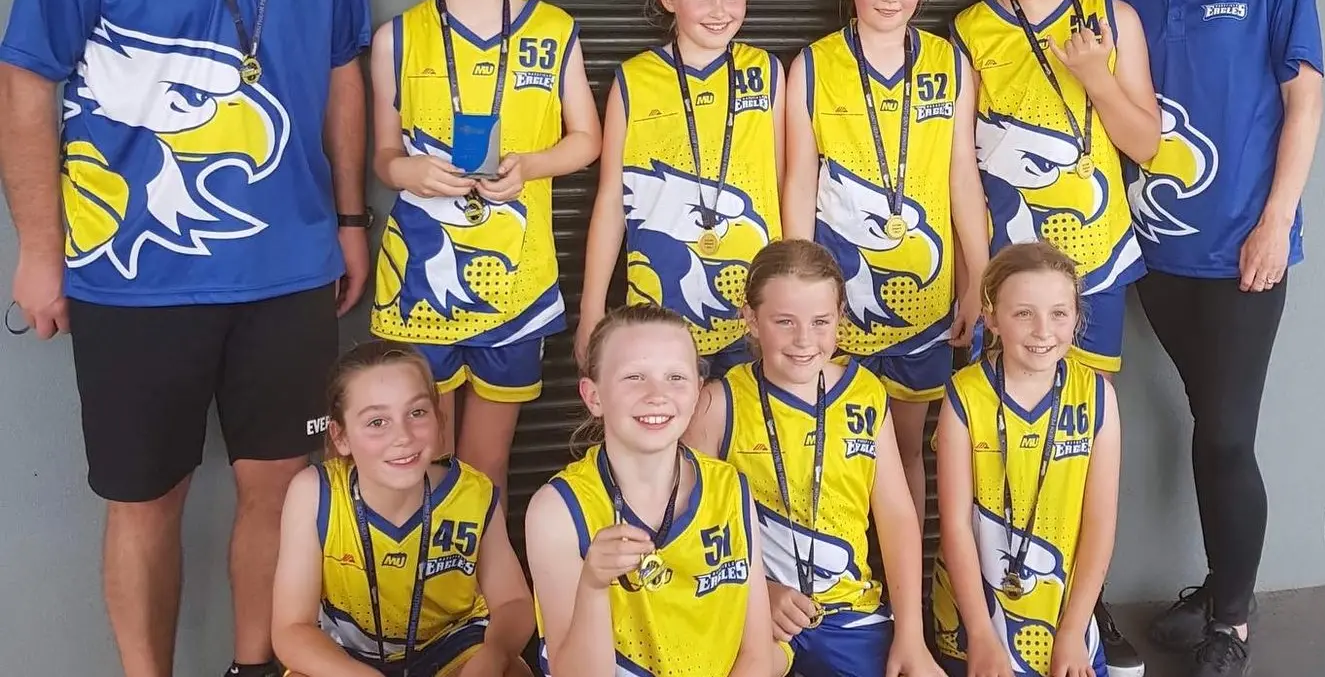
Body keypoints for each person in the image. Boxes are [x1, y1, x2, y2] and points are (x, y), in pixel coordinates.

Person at [0, 0, 372, 675]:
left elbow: (341, 73)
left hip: (288, 265)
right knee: (144, 497)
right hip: (132, 272)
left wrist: (352, 217)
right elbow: (26, 82)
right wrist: (40, 249)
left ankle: (256, 666)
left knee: (281, 489)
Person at [1104, 0, 1325, 677]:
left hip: (1245, 253)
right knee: (1208, 425)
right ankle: (1223, 576)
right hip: (1156, 256)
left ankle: (1231, 618)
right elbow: (1126, 125)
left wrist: (1276, 221)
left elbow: (1304, 101)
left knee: (1227, 434)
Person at [951, 0, 1160, 677]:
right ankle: (983, 607)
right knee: (1001, 438)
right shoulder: (969, 30)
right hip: (1012, 279)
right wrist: (978, 274)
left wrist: (1095, 77)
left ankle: (1084, 603)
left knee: (1083, 438)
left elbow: (1144, 143)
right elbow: (960, 167)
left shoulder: (1113, 17)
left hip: (1096, 271)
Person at [367, 0, 602, 490]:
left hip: (516, 282)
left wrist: (531, 165)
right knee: (422, 464)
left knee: (486, 468)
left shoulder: (553, 29)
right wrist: (408, 171)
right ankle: (428, 590)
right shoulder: (398, 37)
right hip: (421, 281)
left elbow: (587, 140)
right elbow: (382, 158)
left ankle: (475, 590)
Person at [783, 0, 989, 524]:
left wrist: (976, 278)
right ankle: (839, 586)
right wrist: (798, 286)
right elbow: (798, 177)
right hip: (838, 303)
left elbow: (962, 179)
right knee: (828, 450)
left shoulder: (950, 65)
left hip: (926, 301)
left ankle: (905, 599)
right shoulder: (813, 66)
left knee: (904, 452)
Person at [686, 239, 944, 677]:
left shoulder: (865, 393)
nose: (804, 340)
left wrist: (912, 636)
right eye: (784, 321)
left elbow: (897, 516)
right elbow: (687, 531)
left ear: (841, 318)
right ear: (750, 319)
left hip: (849, 611)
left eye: (820, 321)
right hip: (753, 613)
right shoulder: (718, 404)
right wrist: (759, 592)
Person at [525, 304, 777, 677]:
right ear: (593, 396)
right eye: (634, 377)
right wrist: (594, 585)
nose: (657, 394)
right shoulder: (556, 510)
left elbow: (757, 654)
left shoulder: (730, 488)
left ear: (697, 393)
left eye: (676, 377)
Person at [576, 0, 784, 375]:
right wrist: (592, 308)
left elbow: (787, 184)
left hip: (752, 307)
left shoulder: (767, 72)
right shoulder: (634, 79)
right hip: (660, 309)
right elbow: (613, 198)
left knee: (745, 436)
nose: (719, 10)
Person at [271, 341, 535, 677]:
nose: (403, 436)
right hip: (348, 657)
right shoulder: (315, 493)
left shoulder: (473, 493)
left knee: (514, 671)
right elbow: (291, 629)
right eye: (377, 422)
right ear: (341, 437)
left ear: (440, 421)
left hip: (449, 647)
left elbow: (514, 603)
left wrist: (493, 655)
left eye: (417, 413)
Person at [931, 241, 1121, 677]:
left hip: (1062, 617)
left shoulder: (1096, 397)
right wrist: (979, 634)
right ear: (992, 317)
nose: (1043, 330)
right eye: (1023, 313)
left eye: (1058, 313)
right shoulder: (965, 394)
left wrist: (1073, 632)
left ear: (1075, 318)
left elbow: (1100, 523)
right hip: (972, 619)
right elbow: (956, 525)